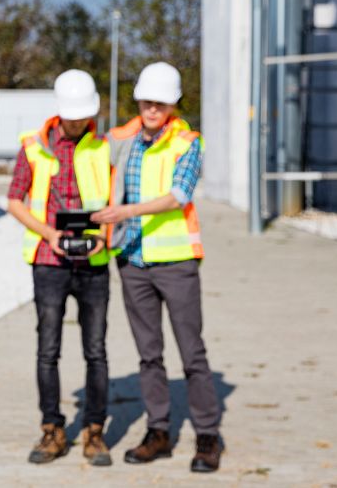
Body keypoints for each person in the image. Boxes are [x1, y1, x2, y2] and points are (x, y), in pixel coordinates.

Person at [92, 62, 222, 473]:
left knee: (192, 353)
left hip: (176, 261)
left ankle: (206, 435)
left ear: (173, 103)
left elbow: (179, 195)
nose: (152, 109)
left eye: (160, 103)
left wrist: (125, 211)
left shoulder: (187, 142)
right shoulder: (119, 138)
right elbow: (95, 170)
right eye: (147, 101)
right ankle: (159, 431)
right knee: (149, 355)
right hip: (132, 260)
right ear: (139, 101)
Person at [6, 69, 112, 467]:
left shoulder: (105, 147)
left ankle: (94, 431)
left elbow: (116, 200)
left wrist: (105, 233)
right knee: (47, 350)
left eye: (83, 115)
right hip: (49, 262)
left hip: (94, 263)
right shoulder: (33, 147)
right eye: (71, 115)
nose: (76, 121)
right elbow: (15, 200)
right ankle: (52, 429)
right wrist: (48, 233)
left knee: (96, 350)